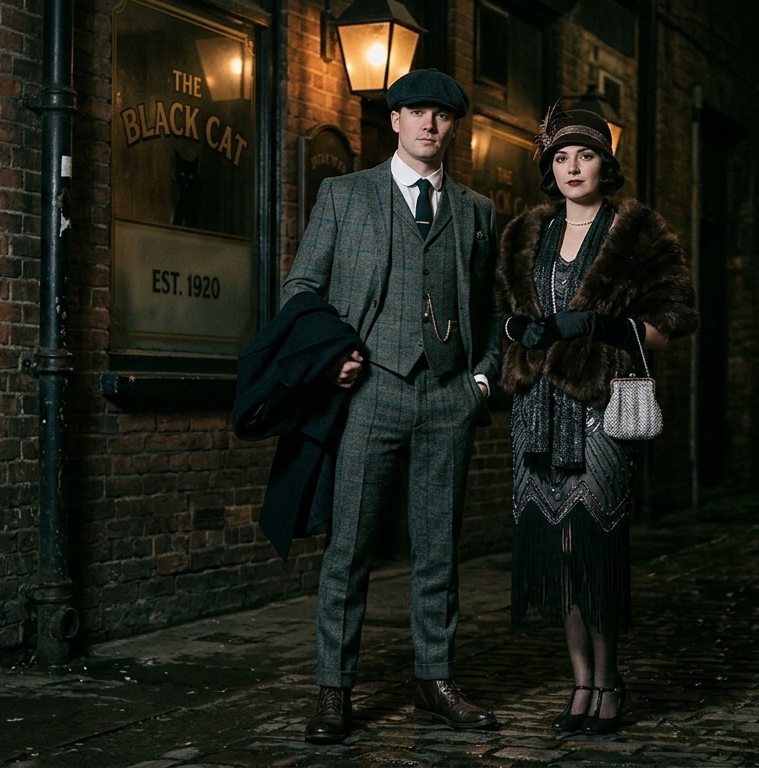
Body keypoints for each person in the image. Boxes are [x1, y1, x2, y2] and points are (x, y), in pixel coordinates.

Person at [282, 69, 502, 745]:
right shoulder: (345, 195)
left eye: (443, 116)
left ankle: (435, 680)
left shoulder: (478, 211)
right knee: (348, 548)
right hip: (370, 392)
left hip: (446, 397)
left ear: (452, 127)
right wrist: (333, 355)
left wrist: (481, 386)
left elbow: (496, 315)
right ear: (397, 120)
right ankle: (333, 691)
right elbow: (300, 288)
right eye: (417, 113)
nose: (430, 125)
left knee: (438, 548)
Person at [495, 105, 698, 735]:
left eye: (584, 155)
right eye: (560, 157)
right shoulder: (525, 235)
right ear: (548, 169)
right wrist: (515, 330)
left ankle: (610, 681)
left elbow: (674, 321)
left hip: (599, 409)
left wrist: (602, 325)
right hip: (536, 412)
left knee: (593, 545)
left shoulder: (636, 234)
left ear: (603, 163)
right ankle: (579, 683)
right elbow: (496, 313)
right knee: (557, 551)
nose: (571, 167)